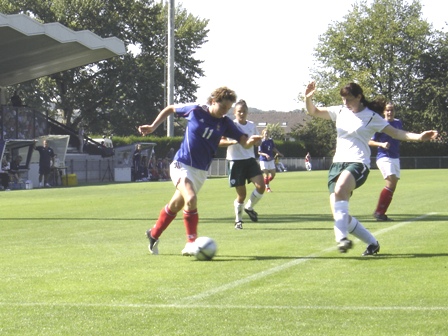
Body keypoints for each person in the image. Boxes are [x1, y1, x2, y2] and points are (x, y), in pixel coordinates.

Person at [305, 81, 437, 256]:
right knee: (339, 214)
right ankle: (372, 243)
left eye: (349, 99)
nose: (345, 102)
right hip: (337, 165)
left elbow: (396, 133)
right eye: (343, 99)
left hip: (358, 163)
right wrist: (307, 98)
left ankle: (341, 238)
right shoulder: (340, 111)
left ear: (359, 97)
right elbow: (313, 111)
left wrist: (419, 137)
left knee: (340, 189)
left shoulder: (371, 116)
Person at [139, 87, 262, 256]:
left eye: (228, 109)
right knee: (191, 198)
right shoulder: (195, 110)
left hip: (200, 172)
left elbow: (244, 142)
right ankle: (191, 242)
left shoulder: (224, 123)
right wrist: (153, 127)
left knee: (176, 205)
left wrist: (252, 142)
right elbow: (170, 108)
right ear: (213, 101)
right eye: (223, 107)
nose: (225, 112)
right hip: (181, 164)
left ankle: (153, 234)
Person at [219, 99, 264, 230]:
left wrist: (257, 141)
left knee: (261, 187)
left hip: (250, 160)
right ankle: (238, 221)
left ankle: (249, 207)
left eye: (244, 111)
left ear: (247, 112)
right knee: (241, 195)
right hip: (235, 161)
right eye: (239, 111)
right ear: (234, 112)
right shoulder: (229, 125)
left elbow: (257, 143)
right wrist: (233, 142)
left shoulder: (251, 125)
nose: (242, 114)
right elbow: (220, 142)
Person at [368, 102, 402, 221]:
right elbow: (370, 141)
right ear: (383, 112)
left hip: (395, 157)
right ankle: (379, 212)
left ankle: (381, 213)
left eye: (391, 110)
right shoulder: (380, 124)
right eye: (387, 110)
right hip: (383, 157)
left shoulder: (398, 123)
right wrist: (381, 144)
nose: (389, 112)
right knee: (391, 181)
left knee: (393, 185)